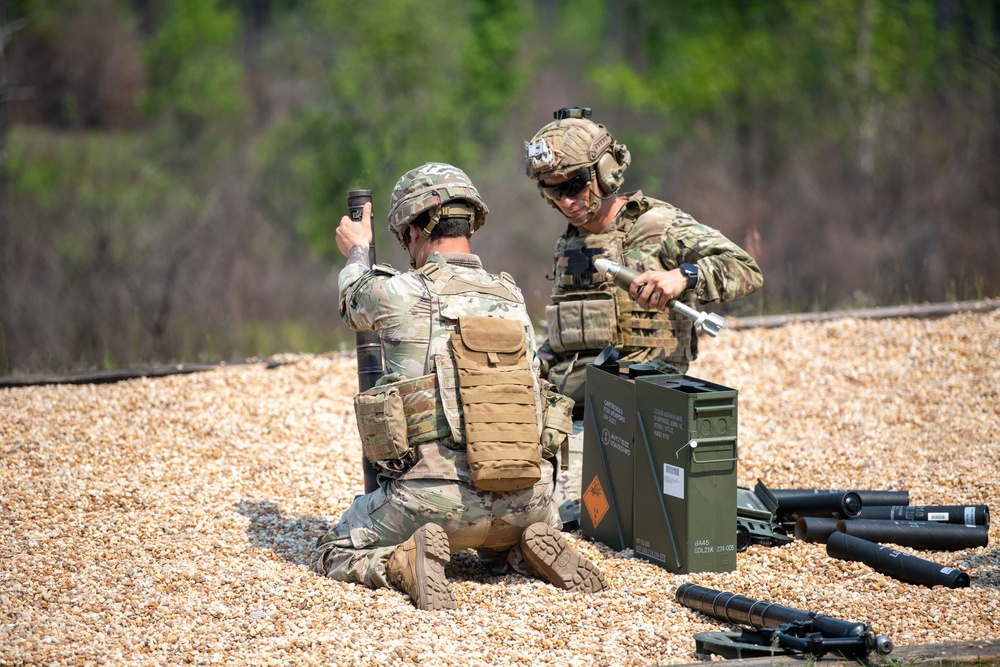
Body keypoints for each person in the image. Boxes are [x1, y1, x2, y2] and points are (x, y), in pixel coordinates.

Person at [312, 162, 606, 610]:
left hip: (433, 502)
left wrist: (358, 250)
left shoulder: (403, 293)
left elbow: (354, 297)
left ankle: (400, 563)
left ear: (415, 228)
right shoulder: (512, 297)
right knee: (497, 537)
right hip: (528, 500)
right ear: (472, 221)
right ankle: (518, 550)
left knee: (333, 550)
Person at [523, 108, 764, 528]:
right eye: (552, 190)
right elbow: (571, 332)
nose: (566, 200)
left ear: (605, 173)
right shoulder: (571, 241)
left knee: (560, 515)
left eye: (575, 185)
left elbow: (745, 268)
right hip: (571, 410)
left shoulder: (655, 225)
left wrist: (682, 277)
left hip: (631, 410)